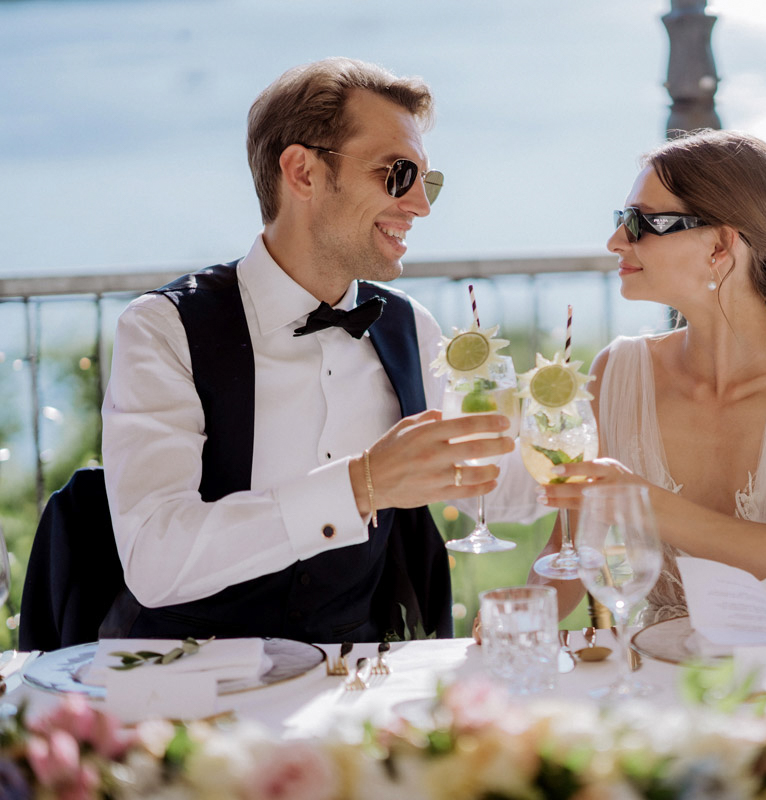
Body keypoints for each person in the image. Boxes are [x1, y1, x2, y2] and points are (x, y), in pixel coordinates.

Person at [100, 57, 533, 643]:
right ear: (302, 172)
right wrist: (361, 486)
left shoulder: (410, 328)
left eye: (427, 182)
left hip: (356, 679)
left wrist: (590, 456)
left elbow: (490, 479)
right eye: (398, 174)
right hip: (193, 686)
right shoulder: (164, 329)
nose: (421, 206)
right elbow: (156, 559)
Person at [535, 129, 766, 624]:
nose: (617, 240)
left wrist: (638, 499)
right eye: (622, 219)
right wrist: (510, 620)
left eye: (642, 222)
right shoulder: (617, 372)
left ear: (721, 245)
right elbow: (573, 554)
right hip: (656, 675)